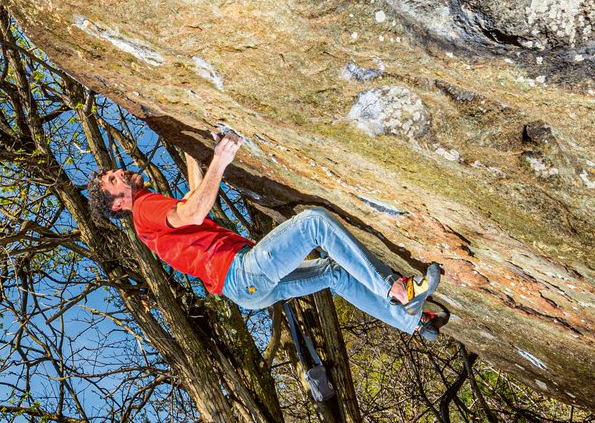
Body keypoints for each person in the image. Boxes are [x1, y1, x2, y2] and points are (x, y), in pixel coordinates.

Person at [86, 132, 443, 341]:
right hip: (242, 273)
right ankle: (394, 289)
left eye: (113, 173)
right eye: (113, 181)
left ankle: (411, 322)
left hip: (245, 291)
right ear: (117, 205)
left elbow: (193, 204)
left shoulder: (148, 221)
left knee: (333, 273)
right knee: (314, 224)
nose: (119, 171)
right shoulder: (144, 208)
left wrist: (195, 154)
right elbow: (195, 211)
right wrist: (222, 159)